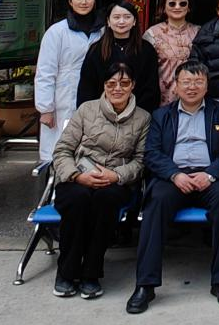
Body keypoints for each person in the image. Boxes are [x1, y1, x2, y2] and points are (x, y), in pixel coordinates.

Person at [126, 60, 219, 313]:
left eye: (198, 81)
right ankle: (145, 285)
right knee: (155, 201)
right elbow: (152, 153)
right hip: (174, 178)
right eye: (186, 82)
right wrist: (174, 175)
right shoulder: (161, 115)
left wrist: (210, 174)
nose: (192, 87)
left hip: (211, 178)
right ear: (175, 86)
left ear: (206, 85)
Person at [51, 63, 150, 300]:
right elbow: (62, 150)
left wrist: (116, 176)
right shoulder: (87, 110)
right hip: (78, 176)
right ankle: (67, 272)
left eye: (124, 83)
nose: (118, 89)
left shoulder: (143, 118)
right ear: (104, 86)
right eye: (111, 84)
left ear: (133, 85)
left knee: (107, 200)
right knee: (78, 199)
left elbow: (141, 161)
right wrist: (77, 175)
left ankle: (91, 274)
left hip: (115, 181)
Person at [34, 0, 104, 163]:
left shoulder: (103, 31)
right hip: (63, 96)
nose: (84, 2)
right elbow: (45, 72)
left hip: (94, 94)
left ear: (95, 1)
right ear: (70, 2)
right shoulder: (57, 32)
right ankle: (55, 185)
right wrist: (46, 109)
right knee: (60, 147)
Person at [77, 1, 160, 112]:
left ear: (134, 21)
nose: (121, 21)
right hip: (100, 115)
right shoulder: (96, 50)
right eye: (116, 17)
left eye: (127, 17)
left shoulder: (146, 50)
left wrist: (137, 113)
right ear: (108, 21)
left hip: (137, 115)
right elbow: (87, 87)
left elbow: (151, 88)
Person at [143, 0, 200, 106]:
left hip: (195, 98)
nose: (177, 7)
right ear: (163, 7)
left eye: (183, 3)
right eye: (172, 3)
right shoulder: (152, 34)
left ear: (189, 7)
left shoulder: (199, 32)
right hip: (163, 100)